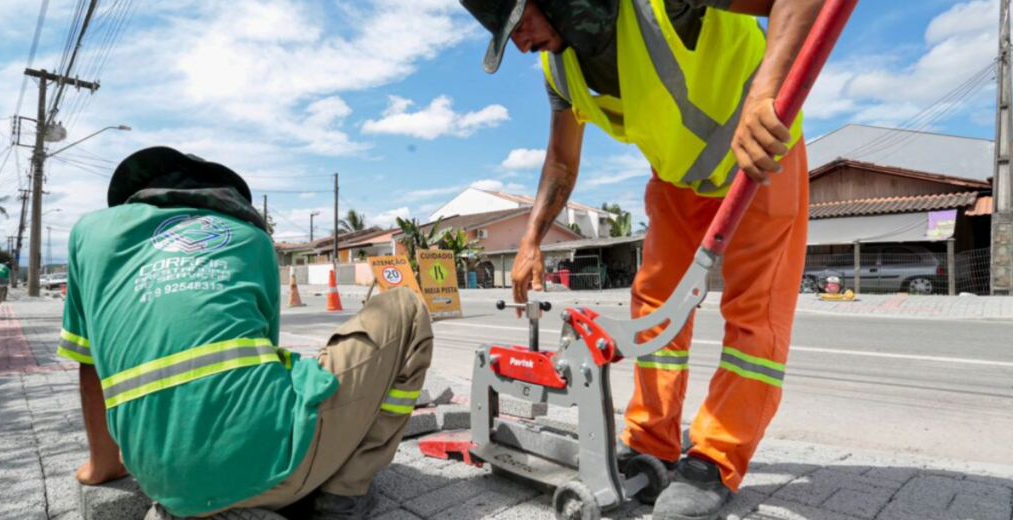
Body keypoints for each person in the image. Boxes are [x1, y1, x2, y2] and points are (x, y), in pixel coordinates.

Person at [459, 0, 820, 518]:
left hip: (761, 159)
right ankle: (652, 441)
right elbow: (561, 160)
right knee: (654, 312)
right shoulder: (557, 66)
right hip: (677, 182)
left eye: (519, 23)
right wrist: (531, 239)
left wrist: (766, 92)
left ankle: (716, 459)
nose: (518, 43)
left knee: (754, 317)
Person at [60, 146, 433, 520]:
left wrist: (102, 468)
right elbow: (260, 359)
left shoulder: (89, 234)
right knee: (405, 307)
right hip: (267, 467)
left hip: (163, 480)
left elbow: (89, 365)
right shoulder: (250, 238)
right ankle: (344, 493)